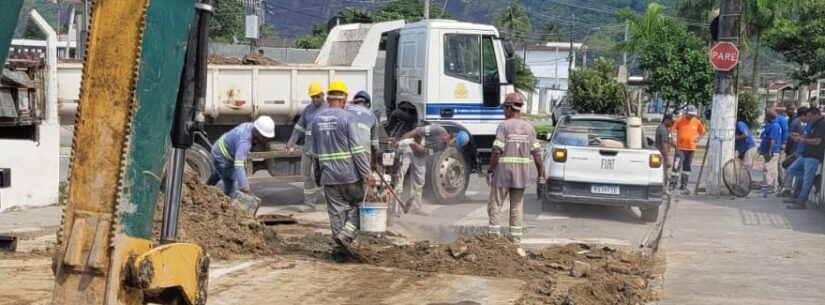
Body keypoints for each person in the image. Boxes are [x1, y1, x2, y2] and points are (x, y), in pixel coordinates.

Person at [310, 80, 374, 249]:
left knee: (335, 212)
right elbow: (357, 150)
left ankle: (340, 246)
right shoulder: (347, 118)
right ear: (344, 99)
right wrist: (367, 174)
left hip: (328, 176)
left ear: (328, 98)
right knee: (361, 204)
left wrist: (317, 175)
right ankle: (346, 235)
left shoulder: (316, 120)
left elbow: (315, 154)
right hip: (349, 175)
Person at [486, 93, 544, 242]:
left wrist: (490, 169)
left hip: (502, 174)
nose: (503, 112)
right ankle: (515, 240)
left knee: (495, 205)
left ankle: (493, 239)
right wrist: (540, 175)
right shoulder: (529, 128)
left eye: (504, 108)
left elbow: (496, 150)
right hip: (521, 176)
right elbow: (537, 155)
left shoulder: (504, 126)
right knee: (517, 207)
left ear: (510, 108)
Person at [394, 124, 470, 216]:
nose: (453, 145)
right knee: (401, 176)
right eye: (454, 142)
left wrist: (412, 143)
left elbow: (423, 151)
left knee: (420, 181)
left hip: (419, 154)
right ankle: (395, 209)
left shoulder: (443, 147)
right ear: (452, 136)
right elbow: (417, 131)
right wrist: (403, 141)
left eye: (455, 145)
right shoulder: (438, 130)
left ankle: (415, 208)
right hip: (408, 148)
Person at [207, 116, 275, 208]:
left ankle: (205, 187)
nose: (266, 140)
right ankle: (228, 209)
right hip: (222, 156)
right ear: (257, 132)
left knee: (221, 172)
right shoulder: (244, 143)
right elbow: (238, 165)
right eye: (264, 137)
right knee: (232, 184)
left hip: (219, 148)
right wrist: (246, 188)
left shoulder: (250, 126)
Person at [286, 82, 328, 212]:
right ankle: (309, 204)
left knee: (326, 177)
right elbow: (299, 127)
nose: (315, 99)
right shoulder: (308, 109)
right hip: (308, 150)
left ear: (322, 94)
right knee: (307, 177)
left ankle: (332, 204)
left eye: (317, 96)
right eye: (312, 97)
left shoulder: (329, 109)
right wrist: (291, 142)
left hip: (323, 151)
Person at [785, 107, 825, 209]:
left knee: (807, 180)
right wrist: (800, 136)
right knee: (792, 169)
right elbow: (811, 137)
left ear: (816, 114)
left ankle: (801, 202)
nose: (809, 118)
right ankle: (813, 180)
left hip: (814, 155)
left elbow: (817, 141)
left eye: (810, 116)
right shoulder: (815, 123)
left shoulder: (822, 124)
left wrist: (802, 140)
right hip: (806, 154)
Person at [669, 105, 706, 192]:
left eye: (693, 115)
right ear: (686, 113)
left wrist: (699, 138)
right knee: (676, 166)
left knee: (687, 167)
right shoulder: (679, 120)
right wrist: (672, 138)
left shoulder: (696, 122)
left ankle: (684, 185)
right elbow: (671, 130)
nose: (691, 116)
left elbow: (703, 132)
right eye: (690, 114)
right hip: (680, 148)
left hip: (691, 148)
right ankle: (673, 184)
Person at [779, 107, 809, 196]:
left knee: (790, 168)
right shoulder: (802, 123)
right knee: (795, 169)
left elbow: (790, 138)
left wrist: (787, 149)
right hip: (799, 149)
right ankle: (794, 190)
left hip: (795, 150)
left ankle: (788, 189)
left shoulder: (795, 122)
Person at [344, 90, 380, 167]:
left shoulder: (345, 109)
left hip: (346, 151)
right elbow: (375, 145)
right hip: (364, 153)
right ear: (368, 104)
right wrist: (375, 163)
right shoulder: (372, 116)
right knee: (364, 177)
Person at [759, 110, 783, 194]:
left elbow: (772, 140)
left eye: (766, 116)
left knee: (768, 168)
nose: (765, 117)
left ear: (769, 117)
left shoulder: (775, 126)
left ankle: (769, 186)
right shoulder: (771, 125)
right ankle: (772, 186)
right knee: (772, 169)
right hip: (770, 150)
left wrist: (769, 151)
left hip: (772, 151)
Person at [655, 114, 674, 189]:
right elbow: (664, 146)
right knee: (664, 174)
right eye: (672, 122)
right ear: (667, 120)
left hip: (661, 153)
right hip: (662, 154)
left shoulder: (664, 128)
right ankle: (663, 190)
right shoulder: (663, 130)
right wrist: (667, 159)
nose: (673, 124)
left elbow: (669, 141)